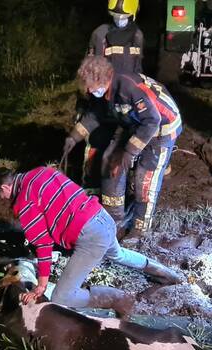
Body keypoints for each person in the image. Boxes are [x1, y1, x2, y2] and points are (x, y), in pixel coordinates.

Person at [0, 166, 183, 317]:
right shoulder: (41, 172)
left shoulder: (24, 203)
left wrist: (41, 285)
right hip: (101, 217)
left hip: (90, 235)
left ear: (5, 187)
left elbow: (43, 244)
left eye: (2, 195)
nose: (5, 199)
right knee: (118, 254)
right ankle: (168, 275)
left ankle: (119, 299)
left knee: (61, 296)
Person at [63, 56, 183, 241]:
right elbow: (95, 114)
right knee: (111, 161)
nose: (88, 90)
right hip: (137, 124)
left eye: (89, 85)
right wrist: (74, 137)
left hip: (162, 129)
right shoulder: (105, 91)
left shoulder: (128, 88)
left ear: (101, 78)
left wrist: (129, 151)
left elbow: (152, 121)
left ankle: (140, 229)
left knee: (145, 178)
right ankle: (113, 217)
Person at [78, 0, 145, 193]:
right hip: (103, 97)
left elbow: (138, 69)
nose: (120, 20)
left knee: (130, 139)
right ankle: (91, 184)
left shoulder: (137, 35)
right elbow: (90, 68)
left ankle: (126, 181)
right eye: (116, 16)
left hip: (127, 97)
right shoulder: (100, 34)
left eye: (124, 17)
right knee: (98, 137)